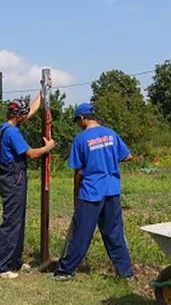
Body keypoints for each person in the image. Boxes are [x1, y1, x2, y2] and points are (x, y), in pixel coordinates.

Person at [52, 103, 134, 281]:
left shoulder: (81, 139)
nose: (77, 124)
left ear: (82, 118)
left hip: (90, 193)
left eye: (77, 121)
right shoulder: (111, 134)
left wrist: (75, 196)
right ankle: (126, 273)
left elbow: (77, 172)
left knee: (82, 233)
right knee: (114, 233)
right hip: (112, 191)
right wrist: (109, 160)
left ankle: (65, 271)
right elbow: (127, 156)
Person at [0, 91, 56, 279]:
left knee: (18, 220)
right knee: (12, 222)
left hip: (10, 177)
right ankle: (0, 267)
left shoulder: (5, 126)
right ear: (17, 116)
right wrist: (48, 148)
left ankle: (13, 262)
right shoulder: (12, 133)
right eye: (24, 115)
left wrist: (43, 92)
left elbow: (31, 111)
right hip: (13, 179)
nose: (26, 117)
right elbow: (32, 154)